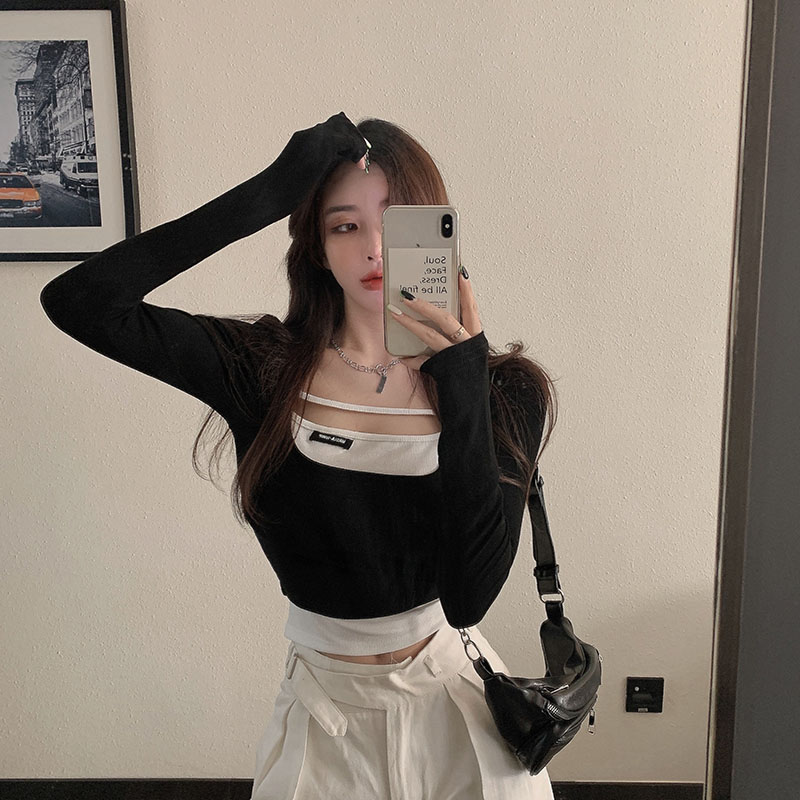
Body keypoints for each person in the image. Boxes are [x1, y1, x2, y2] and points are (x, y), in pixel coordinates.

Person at [40, 112, 557, 799]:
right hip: (323, 719)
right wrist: (270, 191)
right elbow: (80, 302)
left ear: (436, 231)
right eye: (344, 226)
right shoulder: (261, 370)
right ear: (315, 244)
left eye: (395, 222)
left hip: (455, 714)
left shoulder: (505, 390)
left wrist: (460, 379)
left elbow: (470, 598)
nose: (374, 248)